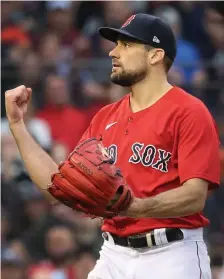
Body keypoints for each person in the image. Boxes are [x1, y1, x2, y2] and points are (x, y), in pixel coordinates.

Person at [5, 13, 220, 279]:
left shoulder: (189, 111)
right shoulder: (105, 117)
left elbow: (195, 196)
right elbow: (58, 189)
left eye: (126, 44)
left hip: (171, 254)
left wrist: (134, 207)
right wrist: (18, 126)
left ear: (155, 55)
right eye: (115, 43)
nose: (113, 52)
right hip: (113, 255)